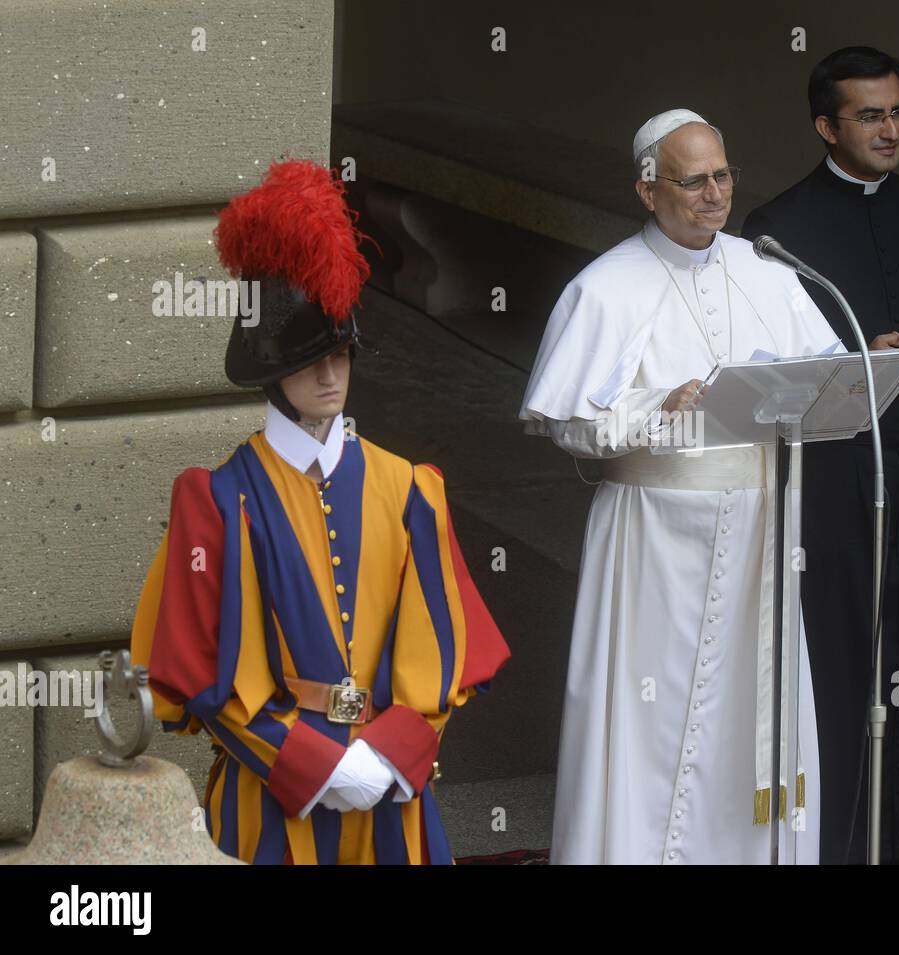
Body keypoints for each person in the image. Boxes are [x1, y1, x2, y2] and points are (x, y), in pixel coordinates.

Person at [130, 159, 510, 864]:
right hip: (271, 805)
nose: (331, 375)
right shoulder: (217, 500)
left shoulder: (410, 487)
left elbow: (441, 655)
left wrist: (387, 754)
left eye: (340, 353)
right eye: (310, 361)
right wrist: (316, 766)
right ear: (271, 369)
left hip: (394, 800)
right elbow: (211, 677)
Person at [520, 109, 843, 864]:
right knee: (649, 723)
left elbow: (824, 373)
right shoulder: (604, 289)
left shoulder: (768, 269)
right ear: (646, 188)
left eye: (723, 175)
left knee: (745, 723)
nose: (714, 195)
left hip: (763, 533)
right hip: (653, 542)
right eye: (692, 180)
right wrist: (652, 410)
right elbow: (565, 424)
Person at [743, 46, 899, 864]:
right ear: (826, 125)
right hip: (831, 479)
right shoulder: (778, 230)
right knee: (845, 648)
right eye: (870, 116)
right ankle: (839, 833)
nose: (890, 131)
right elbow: (760, 371)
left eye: (898, 113)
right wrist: (861, 365)